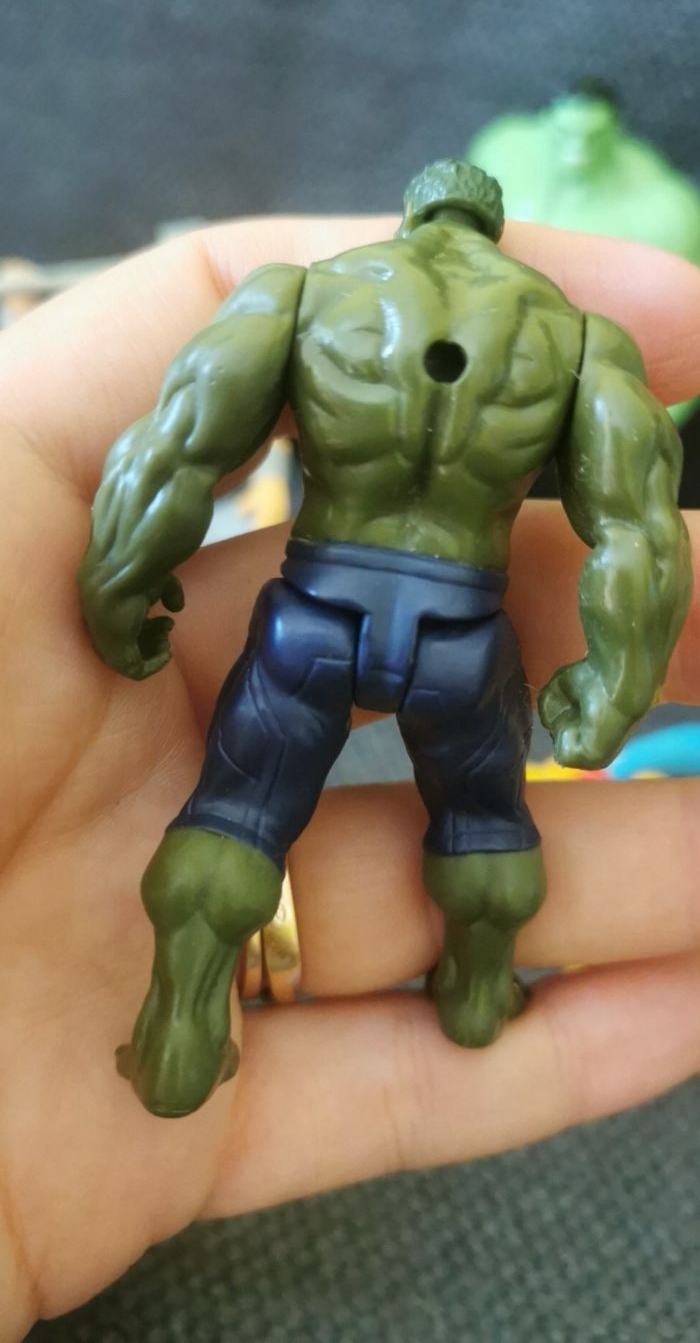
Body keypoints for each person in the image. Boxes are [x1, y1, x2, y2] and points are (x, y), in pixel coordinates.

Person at [0, 213, 698, 1334]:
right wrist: (615, 684)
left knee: (236, 806)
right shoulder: (570, 338)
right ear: (490, 228)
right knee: (486, 813)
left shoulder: (307, 295)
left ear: (417, 216)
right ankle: (477, 991)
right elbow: (638, 533)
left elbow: (177, 443)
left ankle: (181, 1028)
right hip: (464, 633)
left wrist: (120, 580)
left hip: (314, 614)